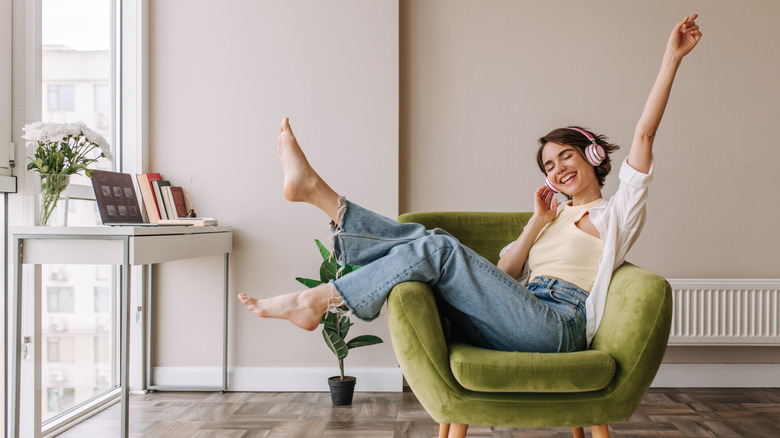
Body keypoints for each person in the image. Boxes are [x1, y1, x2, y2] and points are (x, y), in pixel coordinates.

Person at [238, 15, 702, 353]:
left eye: (567, 155)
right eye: (548, 164)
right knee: (436, 243)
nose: (558, 168)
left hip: (558, 327)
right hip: (517, 313)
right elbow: (501, 278)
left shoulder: (616, 213)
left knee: (438, 248)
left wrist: (671, 59)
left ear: (593, 157)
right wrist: (536, 224)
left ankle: (318, 278)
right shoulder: (553, 215)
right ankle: (321, 203)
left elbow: (643, 134)